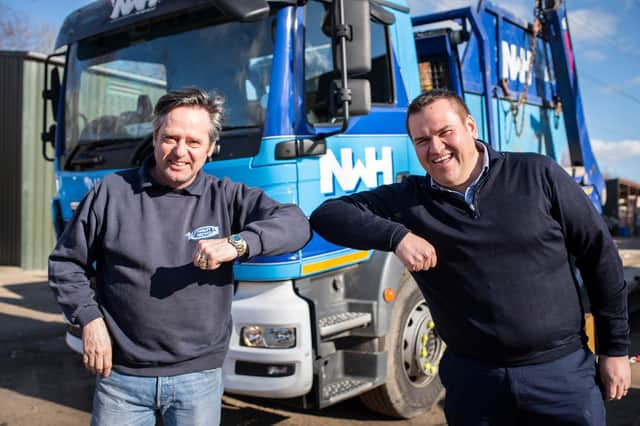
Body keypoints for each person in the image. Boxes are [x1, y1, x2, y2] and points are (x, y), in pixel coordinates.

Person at [310, 89, 630, 425]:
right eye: (421, 140)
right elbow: (327, 215)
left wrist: (615, 349)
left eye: (445, 132)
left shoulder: (537, 175)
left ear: (470, 127)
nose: (435, 148)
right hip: (474, 384)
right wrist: (397, 236)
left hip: (560, 376)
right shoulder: (409, 202)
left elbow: (600, 257)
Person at [49, 87, 311, 425]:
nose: (180, 152)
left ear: (211, 149)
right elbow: (66, 263)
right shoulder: (110, 193)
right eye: (171, 138)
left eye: (193, 142)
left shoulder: (226, 197)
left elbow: (296, 224)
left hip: (198, 379)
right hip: (121, 378)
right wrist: (89, 320)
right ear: (155, 137)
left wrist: (239, 244)